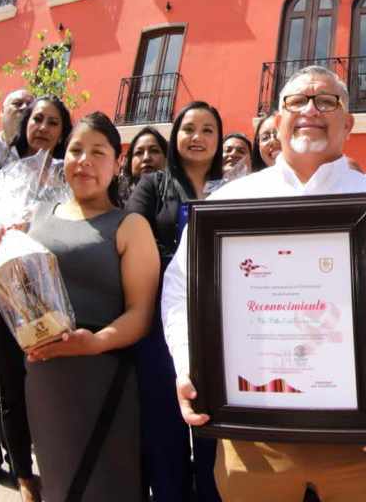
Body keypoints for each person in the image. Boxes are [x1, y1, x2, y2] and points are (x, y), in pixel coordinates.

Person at [162, 66, 366, 499]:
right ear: (277, 121)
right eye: (296, 101)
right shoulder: (228, 204)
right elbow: (182, 293)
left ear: (347, 123)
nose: (310, 110)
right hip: (254, 437)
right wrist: (190, 365)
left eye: (326, 101)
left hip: (363, 441)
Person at [22, 112, 160, 501]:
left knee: (105, 486)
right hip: (45, 379)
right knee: (57, 482)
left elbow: (140, 313)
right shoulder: (37, 217)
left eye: (98, 152)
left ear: (117, 163)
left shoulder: (129, 225)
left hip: (102, 377)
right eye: (76, 150)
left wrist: (95, 342)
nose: (84, 160)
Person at [125, 101, 225, 501]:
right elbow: (133, 239)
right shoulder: (154, 186)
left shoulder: (234, 188)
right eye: (189, 129)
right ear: (175, 136)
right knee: (164, 429)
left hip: (217, 325)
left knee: (211, 427)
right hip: (160, 321)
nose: (197, 137)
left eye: (207, 130)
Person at [0, 95, 74, 501]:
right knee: (10, 385)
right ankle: (24, 473)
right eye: (37, 119)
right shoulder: (1, 173)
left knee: (49, 382)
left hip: (51, 295)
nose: (42, 127)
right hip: (5, 293)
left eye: (53, 122)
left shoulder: (68, 176)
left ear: (63, 132)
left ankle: (56, 462)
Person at [0, 88, 31, 486]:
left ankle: (26, 463)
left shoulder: (50, 163)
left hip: (35, 290)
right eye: (18, 104)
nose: (26, 112)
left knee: (23, 383)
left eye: (32, 107)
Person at [120, 126, 169, 204]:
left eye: (154, 151)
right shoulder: (116, 204)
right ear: (130, 162)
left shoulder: (178, 203)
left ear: (166, 160)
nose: (146, 158)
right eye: (139, 152)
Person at [0, 89, 33, 168]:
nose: (25, 107)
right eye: (18, 103)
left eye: (30, 105)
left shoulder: (35, 158)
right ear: (2, 111)